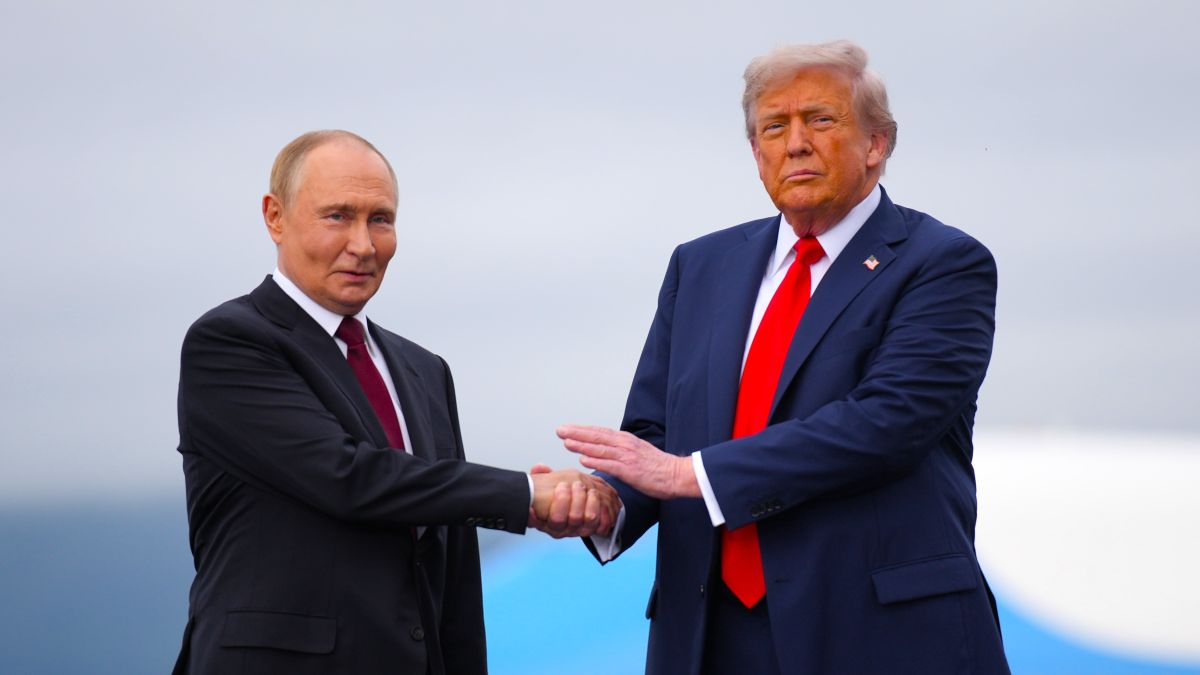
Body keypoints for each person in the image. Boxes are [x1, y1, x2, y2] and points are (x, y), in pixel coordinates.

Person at [558, 41, 1011, 673]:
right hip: (708, 637)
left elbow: (887, 423)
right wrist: (602, 500)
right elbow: (656, 436)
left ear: (877, 143)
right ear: (755, 153)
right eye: (774, 127)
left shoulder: (942, 263)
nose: (795, 143)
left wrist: (690, 477)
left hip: (878, 634)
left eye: (820, 120)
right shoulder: (700, 265)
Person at [172, 130, 617, 675]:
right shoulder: (229, 341)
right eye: (338, 216)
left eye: (380, 219)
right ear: (275, 217)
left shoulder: (423, 370)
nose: (363, 244)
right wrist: (526, 494)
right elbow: (348, 478)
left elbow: (449, 560)